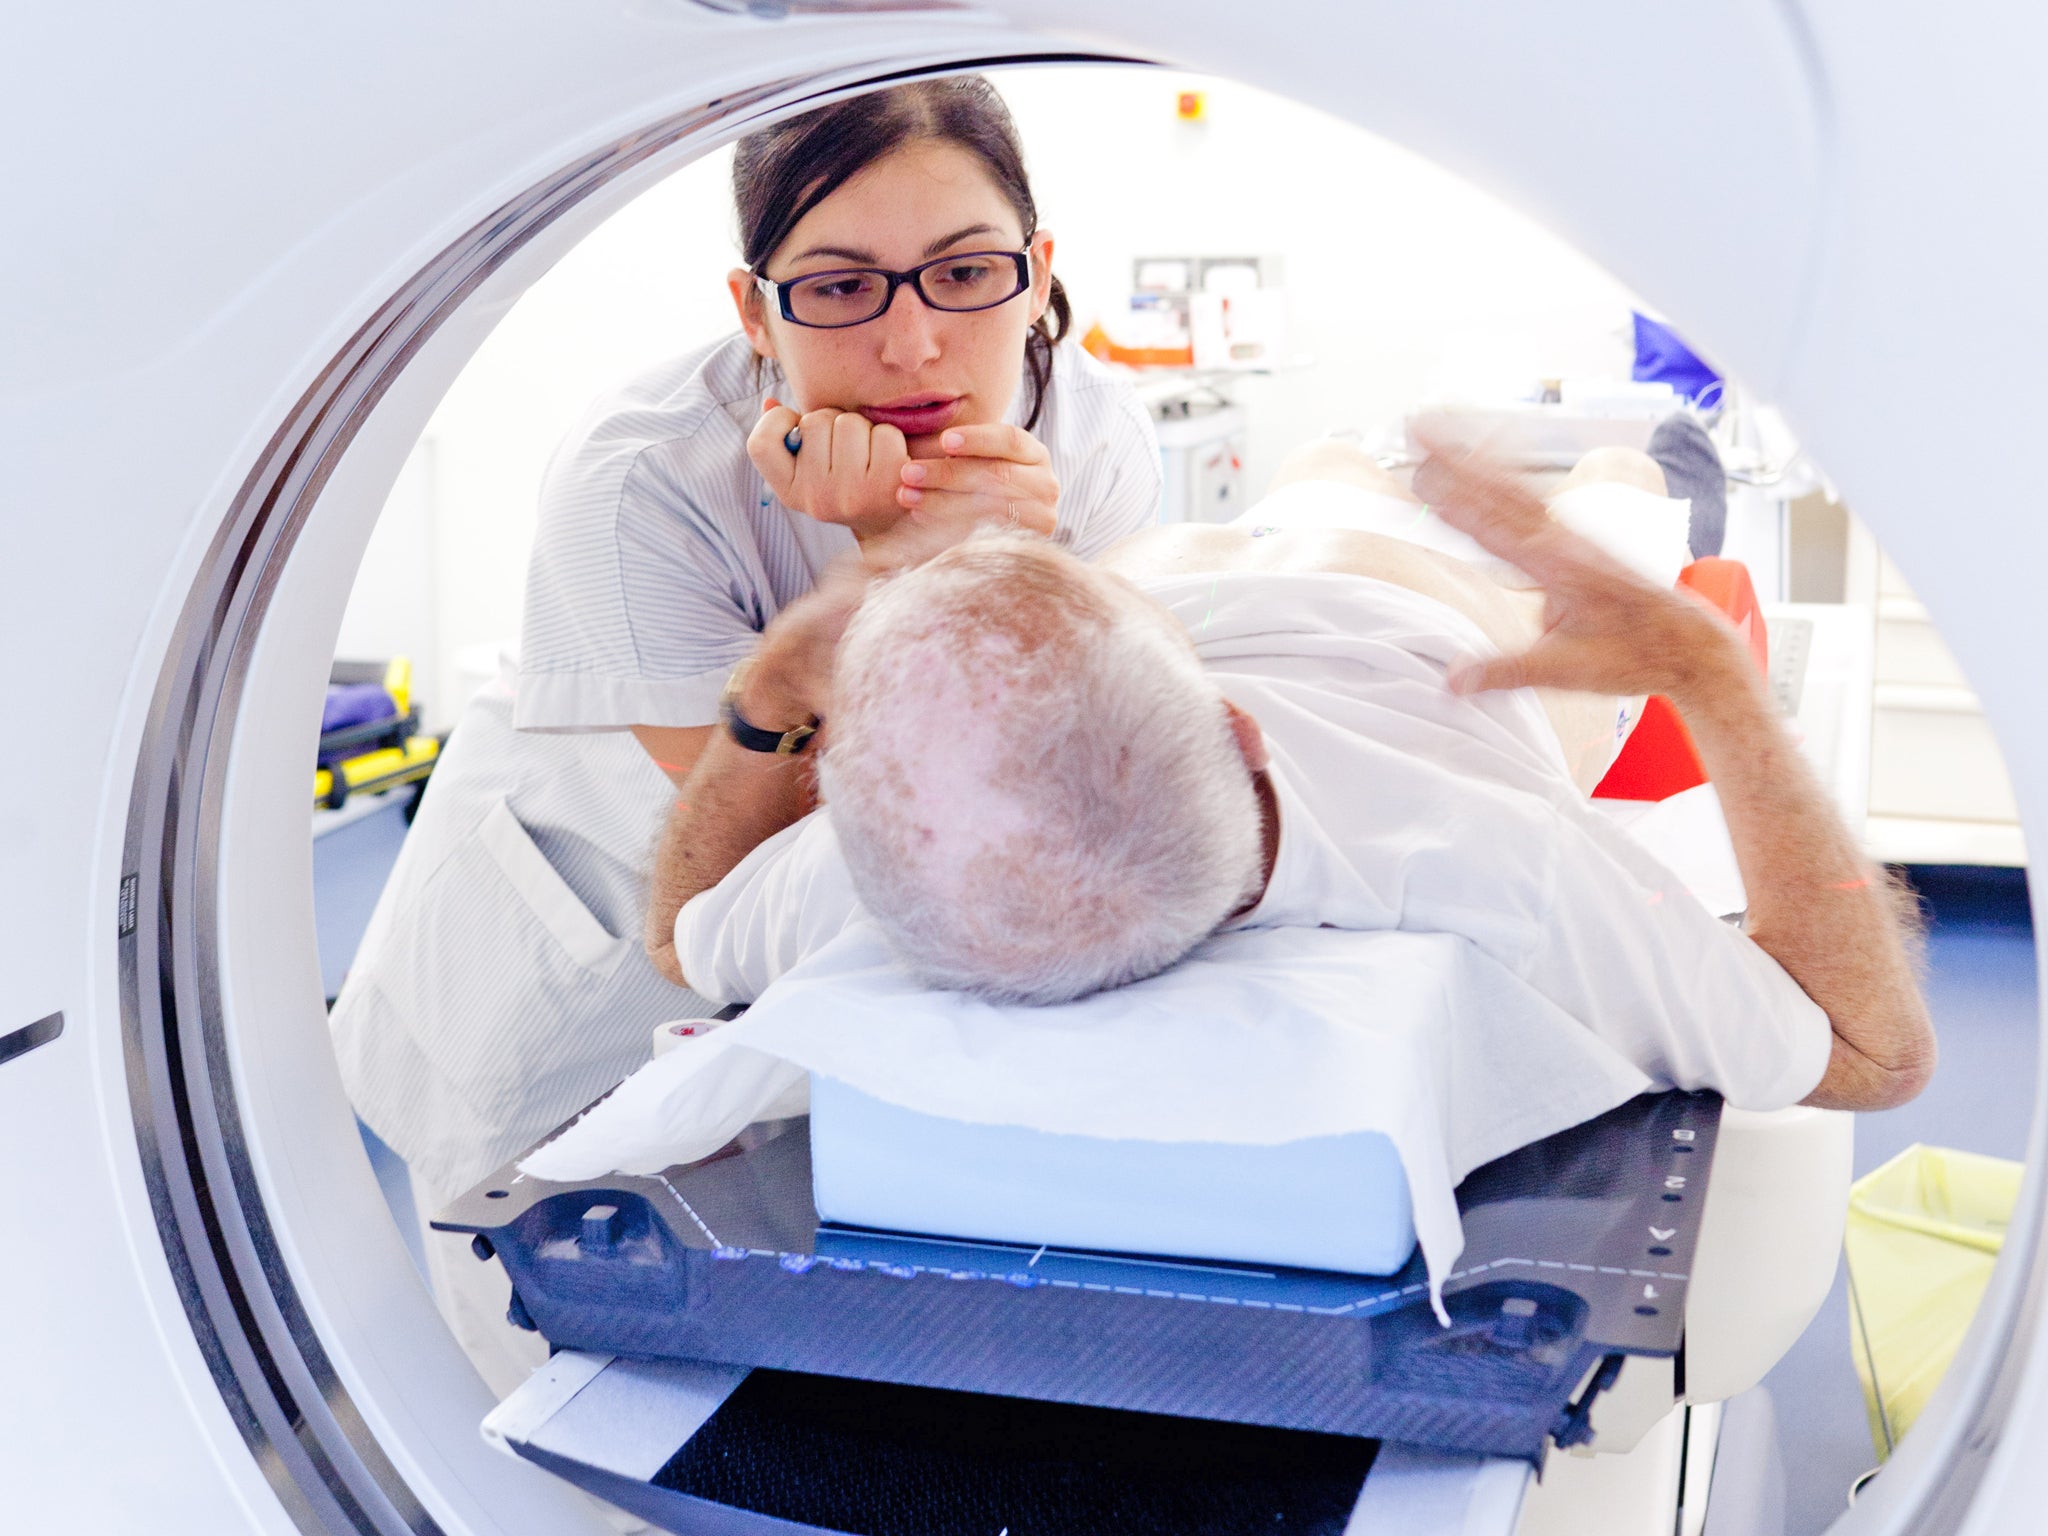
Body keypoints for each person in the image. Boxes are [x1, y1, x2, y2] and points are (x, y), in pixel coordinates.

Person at [328, 76, 1161, 1401]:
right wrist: (892, 568)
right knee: (559, 1391)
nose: (914, 345)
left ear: (1039, 272)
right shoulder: (642, 481)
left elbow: (1061, 767)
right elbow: (749, 863)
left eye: (966, 272)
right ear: (753, 308)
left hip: (815, 982)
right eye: (839, 287)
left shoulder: (1099, 446)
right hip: (579, 983)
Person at [646, 439, 1935, 1116]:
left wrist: (766, 699)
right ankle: (1656, 467)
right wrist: (1710, 674)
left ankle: (1311, 487)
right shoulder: (1498, 868)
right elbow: (1875, 1055)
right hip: (1428, 623)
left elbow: (681, 935)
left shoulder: (884, 875)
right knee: (1615, 483)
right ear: (1244, 729)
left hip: (1180, 594)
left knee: (1325, 462)